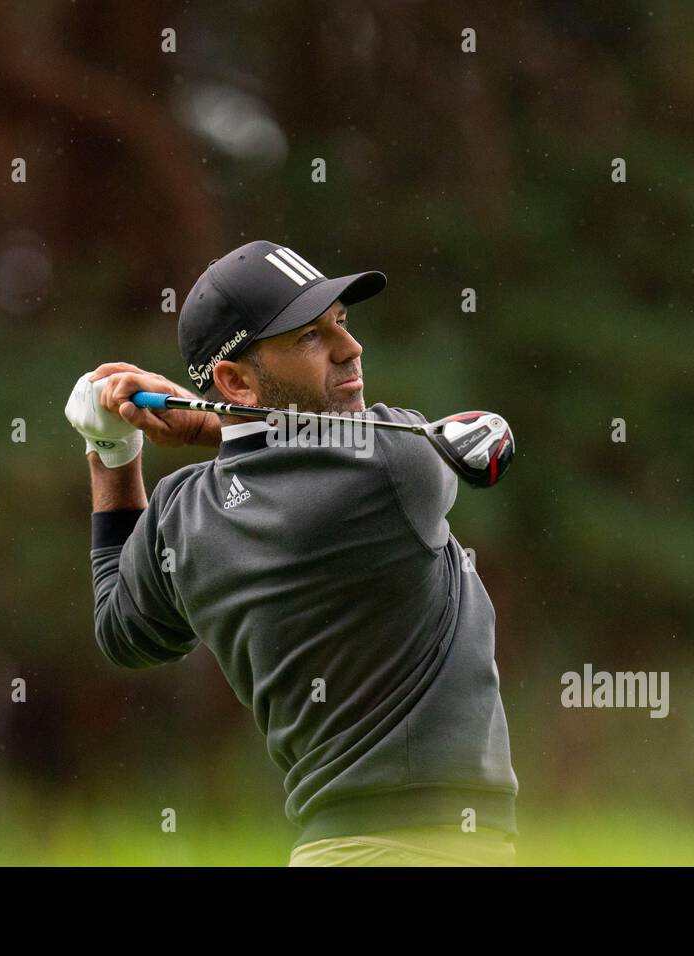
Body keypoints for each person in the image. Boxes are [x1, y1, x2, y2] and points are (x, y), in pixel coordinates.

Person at [64, 240, 518, 866]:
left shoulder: (180, 514)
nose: (349, 348)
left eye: (341, 322)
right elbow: (454, 441)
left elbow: (122, 630)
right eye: (309, 336)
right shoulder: (391, 465)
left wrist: (111, 454)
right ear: (233, 381)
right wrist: (217, 425)